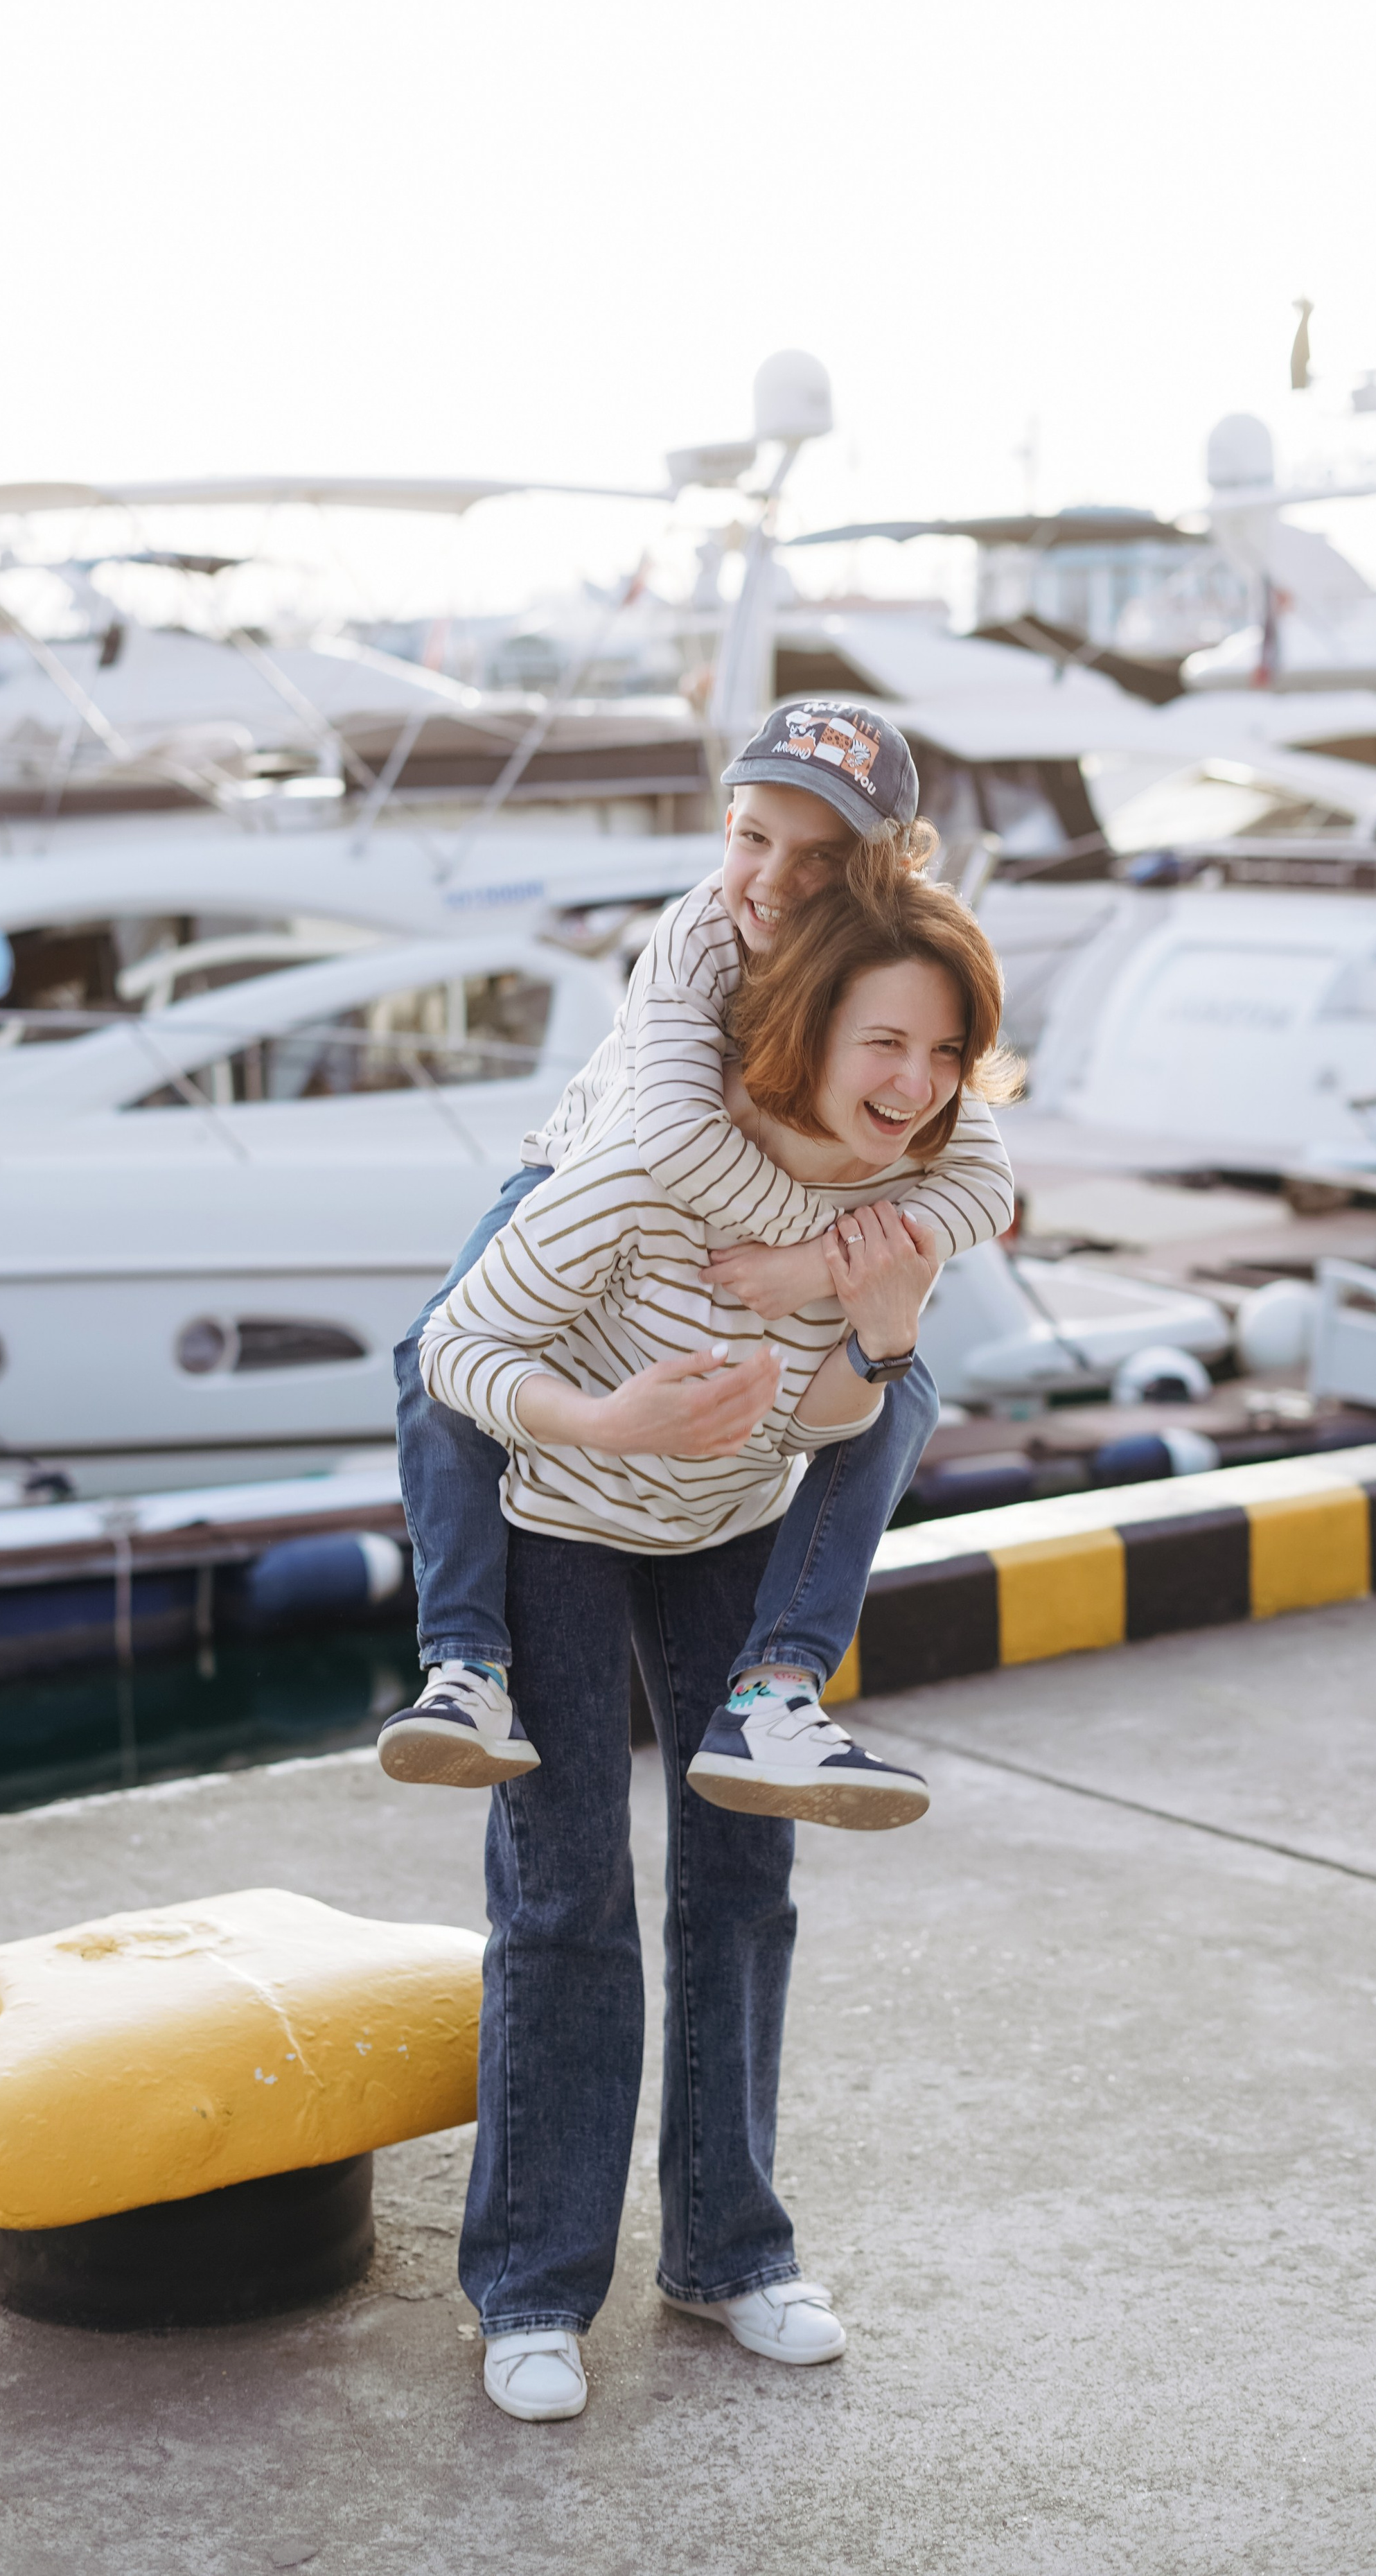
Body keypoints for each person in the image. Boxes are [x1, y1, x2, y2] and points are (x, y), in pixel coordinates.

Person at [415, 855, 1018, 2419]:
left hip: (729, 1521)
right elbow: (450, 1346)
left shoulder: (903, 1208)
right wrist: (605, 1413)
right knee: (564, 1902)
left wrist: (874, 1325)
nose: (915, 1083)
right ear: (806, 1029)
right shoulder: (650, 1158)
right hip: (560, 1513)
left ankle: (730, 2254)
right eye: (885, 1042)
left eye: (943, 1053)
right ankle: (533, 2287)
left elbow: (839, 1425)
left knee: (742, 1880)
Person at [383, 698, 1015, 1816]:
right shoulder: (699, 935)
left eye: (818, 857)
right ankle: (465, 1662)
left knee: (899, 1372)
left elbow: (982, 1184)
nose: (771, 879)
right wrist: (807, 1245)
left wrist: (826, 1274)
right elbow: (670, 1141)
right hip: (587, 1170)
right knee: (431, 1360)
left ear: (880, 870)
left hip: (759, 1229)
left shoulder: (900, 972)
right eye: (751, 837)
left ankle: (784, 1685)